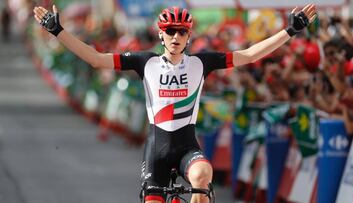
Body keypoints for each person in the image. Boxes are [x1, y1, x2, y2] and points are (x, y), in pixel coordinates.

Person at [33, 4, 317, 203]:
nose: (176, 37)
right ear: (161, 34)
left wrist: (289, 31)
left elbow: (250, 55)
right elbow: (96, 59)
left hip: (186, 147)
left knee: (203, 176)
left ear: (189, 35)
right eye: (170, 31)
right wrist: (58, 32)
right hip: (156, 150)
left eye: (182, 32)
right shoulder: (145, 61)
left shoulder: (201, 62)